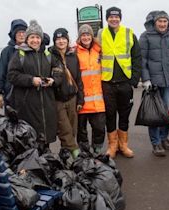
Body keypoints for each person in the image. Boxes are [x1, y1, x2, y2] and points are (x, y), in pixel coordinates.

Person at [7, 20, 63, 147]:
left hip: (47, 102)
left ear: (41, 39)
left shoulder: (48, 54)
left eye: (38, 37)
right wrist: (31, 80)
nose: (35, 40)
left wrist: (53, 80)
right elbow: (12, 75)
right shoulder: (19, 54)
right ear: (27, 39)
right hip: (27, 104)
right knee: (31, 139)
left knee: (46, 138)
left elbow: (59, 70)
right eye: (32, 37)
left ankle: (44, 158)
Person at [99, 6, 142, 158]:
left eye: (116, 17)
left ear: (120, 18)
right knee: (110, 114)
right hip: (107, 81)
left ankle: (123, 145)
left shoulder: (129, 33)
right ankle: (112, 145)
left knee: (124, 114)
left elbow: (137, 57)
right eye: (111, 17)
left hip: (125, 82)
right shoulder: (100, 33)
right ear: (107, 18)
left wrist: (134, 80)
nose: (114, 19)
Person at [139, 11, 169, 157]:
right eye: (160, 21)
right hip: (153, 83)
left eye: (165, 21)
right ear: (155, 22)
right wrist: (145, 79)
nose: (163, 24)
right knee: (155, 114)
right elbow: (142, 61)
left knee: (165, 113)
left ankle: (164, 138)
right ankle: (156, 142)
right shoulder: (145, 37)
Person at [49, 28, 84, 158]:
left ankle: (65, 155)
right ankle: (76, 153)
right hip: (57, 100)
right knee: (65, 129)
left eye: (63, 38)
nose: (61, 41)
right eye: (58, 39)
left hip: (72, 98)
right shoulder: (49, 56)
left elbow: (79, 79)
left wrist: (80, 99)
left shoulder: (73, 56)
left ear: (67, 40)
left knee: (72, 129)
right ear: (54, 41)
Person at [75, 24, 106, 154]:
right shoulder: (74, 52)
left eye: (88, 34)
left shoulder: (99, 51)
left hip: (98, 99)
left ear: (92, 36)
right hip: (81, 100)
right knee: (81, 129)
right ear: (79, 37)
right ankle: (84, 151)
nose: (86, 37)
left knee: (99, 128)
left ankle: (97, 150)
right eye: (83, 35)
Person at [0, 19, 27, 110]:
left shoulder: (31, 50)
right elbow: (1, 73)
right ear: (13, 35)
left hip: (28, 94)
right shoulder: (6, 52)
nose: (21, 35)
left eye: (23, 32)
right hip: (11, 94)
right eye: (18, 32)